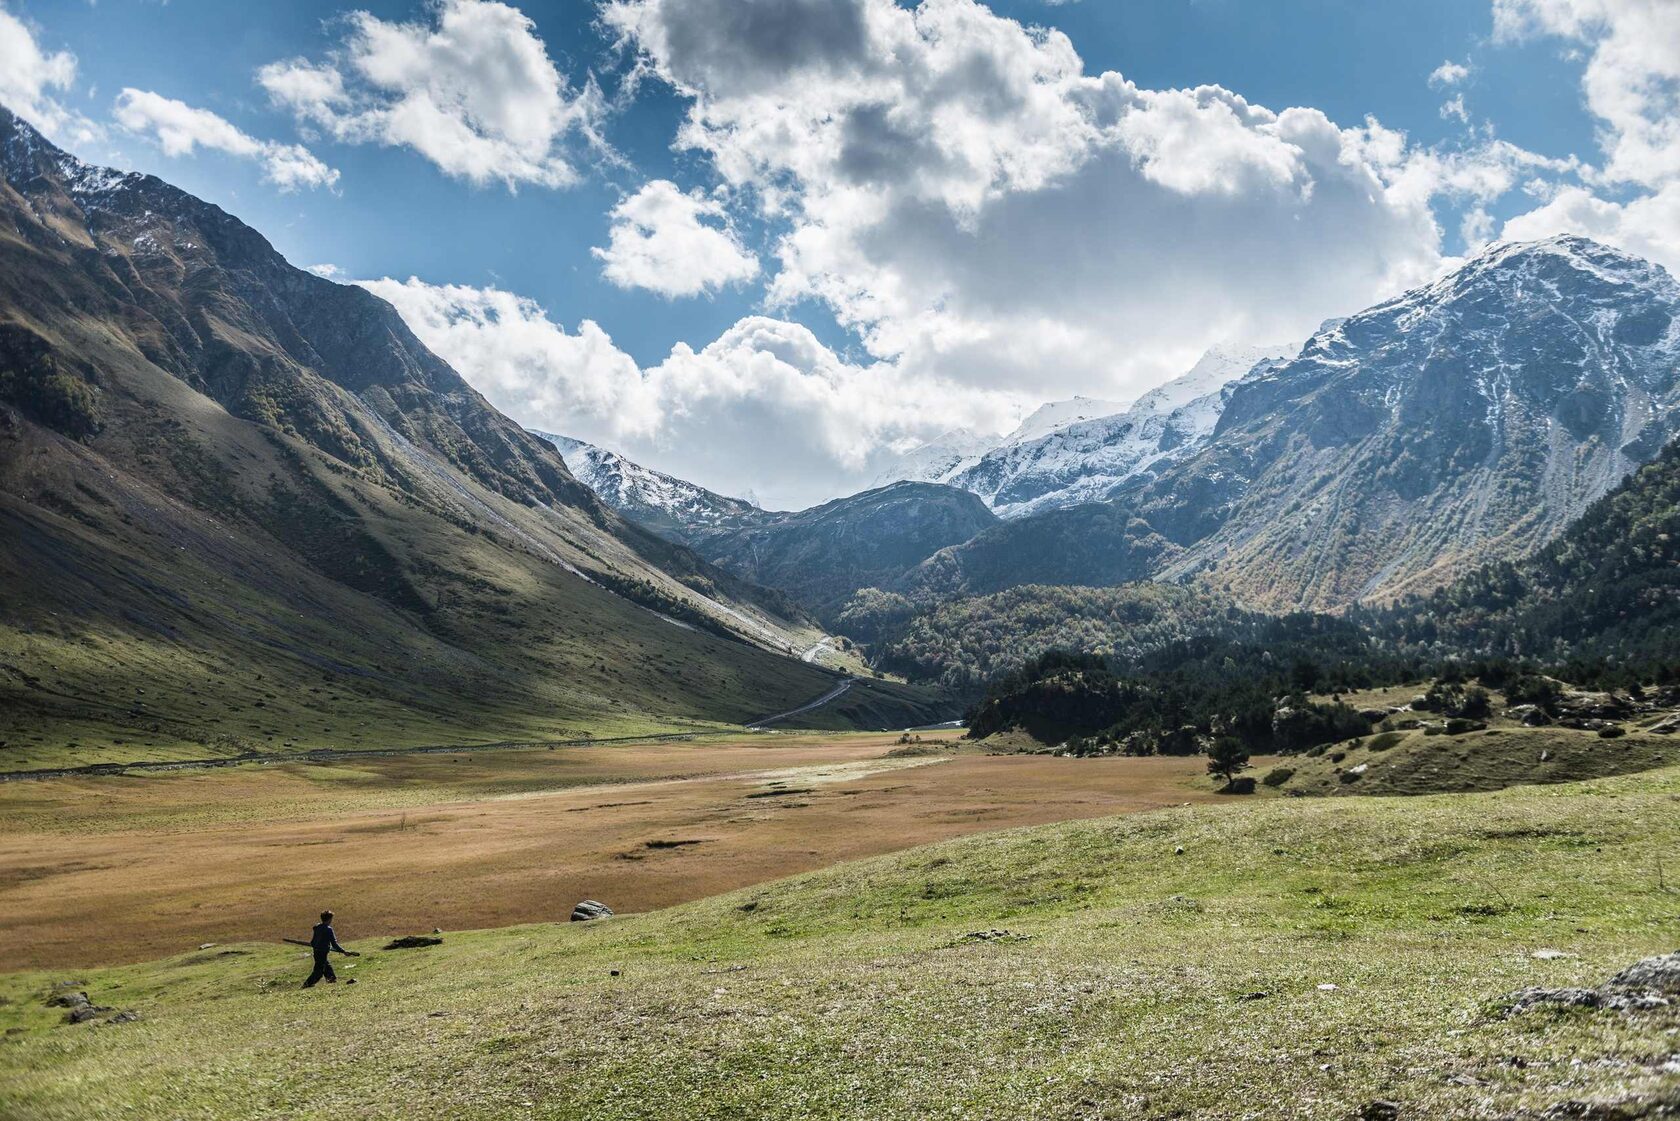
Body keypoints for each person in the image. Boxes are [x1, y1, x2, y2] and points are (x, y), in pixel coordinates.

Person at [302, 910, 358, 987]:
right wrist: (343, 951)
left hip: (316, 952)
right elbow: (334, 944)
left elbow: (312, 942)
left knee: (326, 966)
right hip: (322, 952)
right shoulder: (328, 929)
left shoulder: (317, 927)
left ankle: (331, 979)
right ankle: (307, 984)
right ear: (329, 919)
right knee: (318, 972)